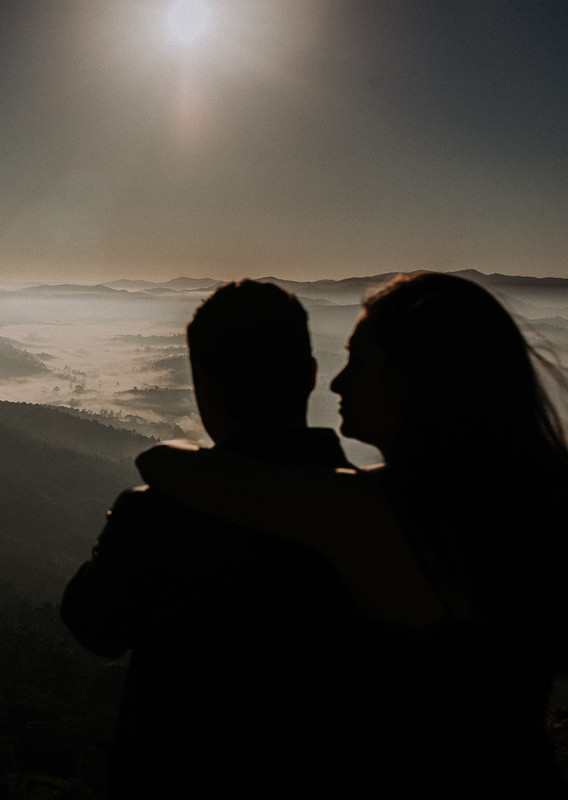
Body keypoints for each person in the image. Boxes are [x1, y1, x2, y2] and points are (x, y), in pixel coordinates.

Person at [137, 272, 568, 796]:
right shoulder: (516, 504)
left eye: (359, 363)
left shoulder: (379, 513)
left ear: (419, 381)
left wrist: (174, 449)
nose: (337, 383)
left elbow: (164, 466)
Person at [61, 280, 364, 798]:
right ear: (312, 376)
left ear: (201, 385)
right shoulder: (381, 516)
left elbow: (92, 626)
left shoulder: (159, 517)